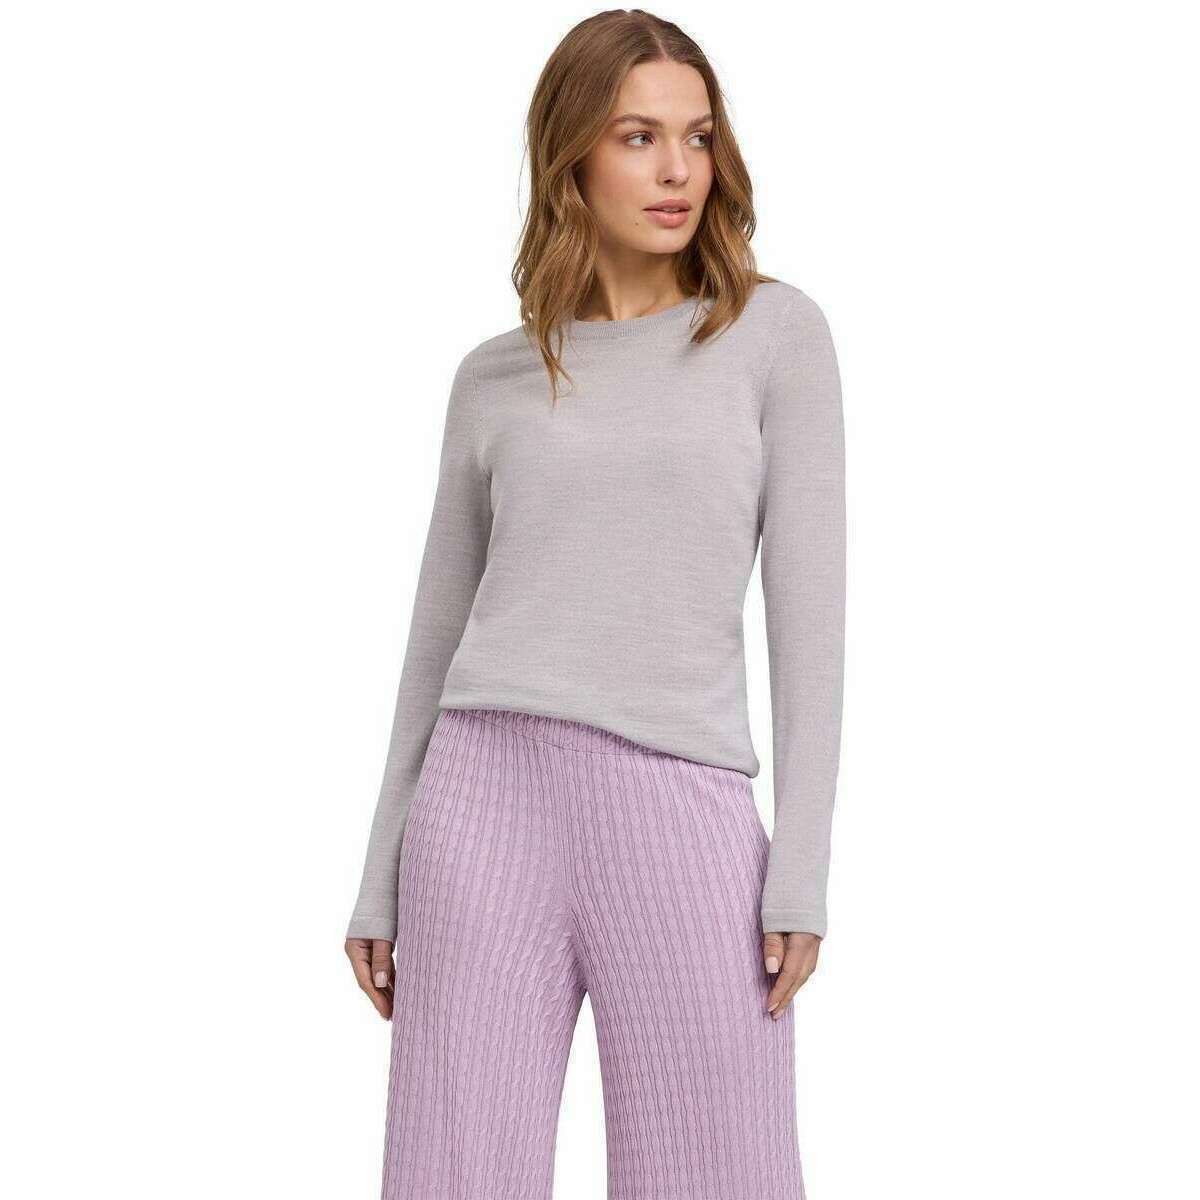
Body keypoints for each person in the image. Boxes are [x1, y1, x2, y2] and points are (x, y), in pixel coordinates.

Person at [344, 9, 845, 1198]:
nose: (677, 170)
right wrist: (380, 869)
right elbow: (435, 633)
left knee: (720, 1174)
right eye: (638, 136)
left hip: (681, 805)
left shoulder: (773, 336)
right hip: (481, 805)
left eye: (698, 137)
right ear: (571, 152)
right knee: (456, 1174)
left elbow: (811, 620)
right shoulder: (495, 377)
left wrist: (803, 867)